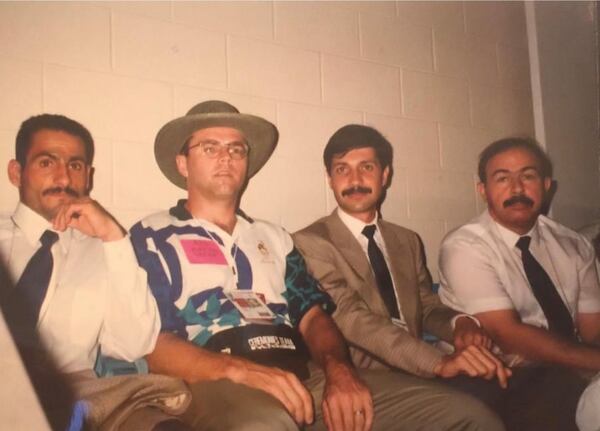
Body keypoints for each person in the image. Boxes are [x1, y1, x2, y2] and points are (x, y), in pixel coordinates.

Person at [130, 101, 505, 431]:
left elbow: (313, 315)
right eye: (209, 148)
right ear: (183, 163)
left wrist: (338, 370)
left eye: (236, 149)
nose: (225, 157)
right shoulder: (151, 236)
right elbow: (151, 342)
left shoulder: (274, 237)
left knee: (467, 415)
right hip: (211, 377)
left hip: (298, 372)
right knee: (264, 426)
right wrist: (239, 371)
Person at [293, 124, 510, 409]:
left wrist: (461, 324)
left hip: (419, 368)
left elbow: (427, 306)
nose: (354, 179)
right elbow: (351, 319)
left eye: (366, 167)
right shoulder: (310, 242)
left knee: (512, 388)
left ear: (385, 175)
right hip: (363, 379)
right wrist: (438, 362)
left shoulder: (406, 240)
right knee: (477, 413)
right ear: (329, 179)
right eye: (342, 169)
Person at [1, 114, 189, 430]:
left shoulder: (105, 252)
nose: (63, 177)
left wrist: (114, 237)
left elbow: (135, 344)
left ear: (88, 177)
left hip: (70, 396)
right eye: (47, 163)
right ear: (16, 172)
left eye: (75, 166)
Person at [438, 136, 600, 430]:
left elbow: (592, 329)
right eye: (502, 179)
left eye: (528, 176)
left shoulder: (574, 245)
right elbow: (507, 334)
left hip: (568, 362)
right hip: (502, 371)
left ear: (546, 185)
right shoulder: (465, 246)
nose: (516, 188)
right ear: (482, 190)